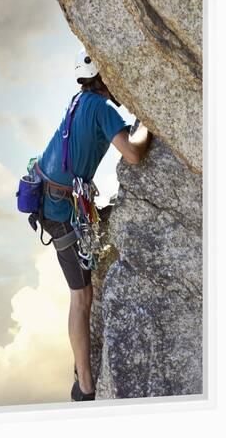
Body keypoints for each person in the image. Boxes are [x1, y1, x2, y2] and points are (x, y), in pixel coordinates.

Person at [36, 46, 152, 401]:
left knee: (82, 292)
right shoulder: (101, 108)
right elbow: (133, 154)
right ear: (102, 77)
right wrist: (149, 122)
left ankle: (81, 371)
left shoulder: (78, 101)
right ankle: (85, 387)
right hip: (60, 210)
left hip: (50, 198)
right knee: (82, 296)